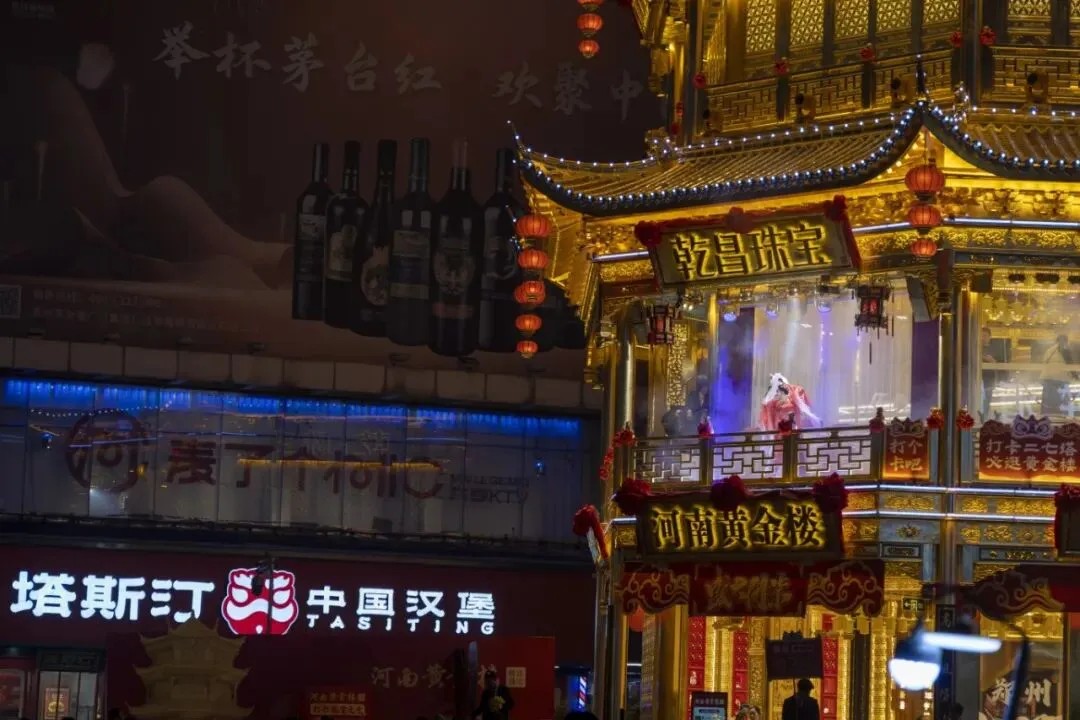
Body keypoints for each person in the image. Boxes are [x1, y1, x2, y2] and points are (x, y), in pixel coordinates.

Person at [1041, 334, 1077, 416]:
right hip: (1060, 378)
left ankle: (1048, 417)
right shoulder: (1064, 347)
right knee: (1063, 401)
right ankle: (1063, 417)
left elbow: (1044, 362)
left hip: (1047, 377)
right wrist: (1075, 375)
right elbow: (1069, 362)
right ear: (1065, 341)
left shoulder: (1049, 350)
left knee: (1048, 401)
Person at [980, 327, 1004, 422]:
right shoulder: (975, 348)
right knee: (977, 402)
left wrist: (992, 361)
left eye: (985, 336)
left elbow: (1000, 364)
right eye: (981, 336)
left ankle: (984, 420)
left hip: (989, 380)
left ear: (989, 337)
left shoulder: (995, 349)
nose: (983, 338)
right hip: (976, 380)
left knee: (986, 401)